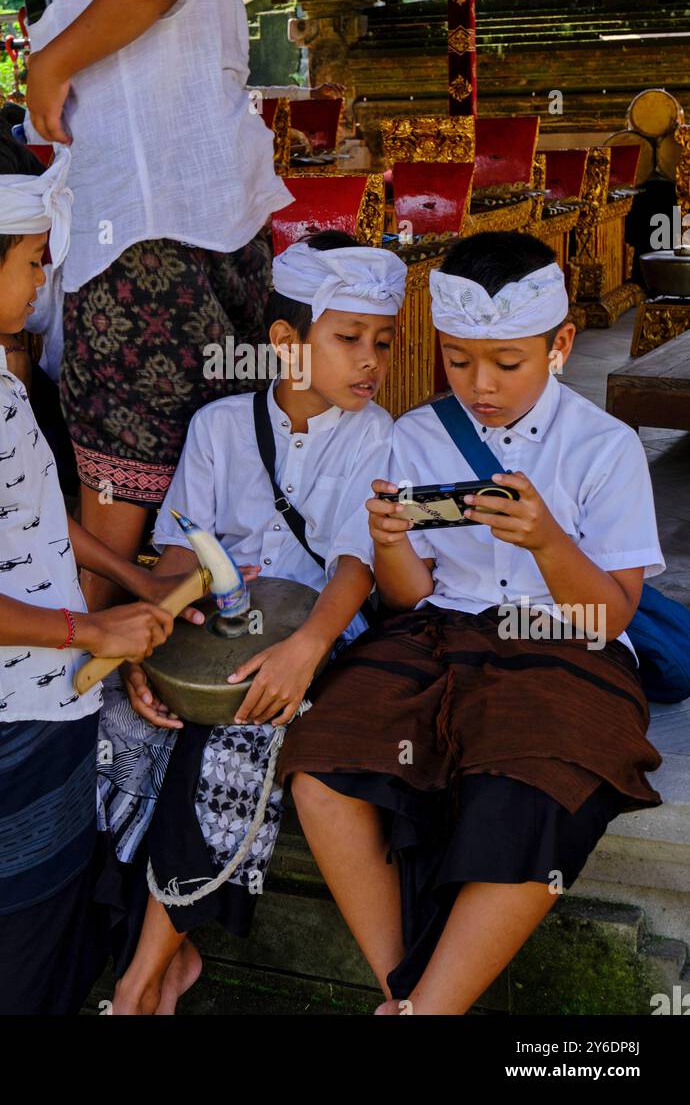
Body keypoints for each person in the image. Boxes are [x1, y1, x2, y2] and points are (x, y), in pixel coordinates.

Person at [278, 230, 664, 1015]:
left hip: (566, 639)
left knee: (527, 784)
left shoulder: (605, 448)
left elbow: (609, 613)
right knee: (321, 765)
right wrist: (389, 544)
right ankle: (409, 994)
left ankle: (430, 1006)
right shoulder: (416, 434)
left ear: (561, 345)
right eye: (458, 359)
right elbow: (406, 599)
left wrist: (550, 542)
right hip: (439, 633)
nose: (479, 384)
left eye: (507, 363)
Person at [0, 114, 201, 1015]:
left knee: (44, 919)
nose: (44, 280)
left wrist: (138, 581)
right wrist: (94, 627)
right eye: (34, 261)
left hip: (25, 699)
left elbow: (33, 511)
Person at [0, 0, 293, 605]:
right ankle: (192, 639)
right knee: (211, 437)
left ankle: (93, 645)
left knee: (122, 450)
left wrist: (52, 63)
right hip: (211, 214)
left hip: (145, 233)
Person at [95, 233, 407, 1014]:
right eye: (348, 339)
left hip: (319, 644)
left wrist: (305, 650)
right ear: (285, 343)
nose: (370, 359)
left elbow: (353, 565)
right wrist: (146, 655)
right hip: (211, 635)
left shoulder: (379, 436)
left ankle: (140, 983)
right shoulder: (220, 426)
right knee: (120, 729)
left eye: (382, 341)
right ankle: (168, 960)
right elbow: (177, 553)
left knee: (231, 738)